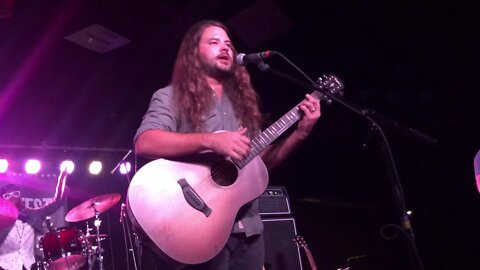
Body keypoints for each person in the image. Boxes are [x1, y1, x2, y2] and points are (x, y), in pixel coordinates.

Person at [132, 19, 322, 270]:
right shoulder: (170, 96)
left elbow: (259, 164)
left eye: (229, 44)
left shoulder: (245, 104)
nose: (225, 48)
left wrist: (300, 134)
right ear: (193, 53)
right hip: (200, 228)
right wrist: (211, 140)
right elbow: (146, 142)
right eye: (214, 42)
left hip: (249, 232)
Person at [0, 170, 69, 270]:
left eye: (15, 193)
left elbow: (57, 202)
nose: (12, 197)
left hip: (32, 265)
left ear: (20, 196)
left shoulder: (34, 214)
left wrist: (61, 179)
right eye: (7, 195)